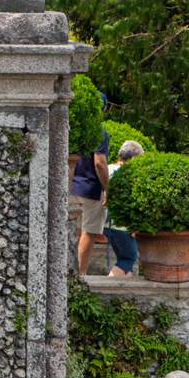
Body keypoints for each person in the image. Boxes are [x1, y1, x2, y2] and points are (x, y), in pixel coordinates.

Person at [71, 108, 110, 276]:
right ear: (103, 109)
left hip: (71, 186)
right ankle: (79, 277)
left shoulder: (76, 127)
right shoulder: (99, 131)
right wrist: (108, 188)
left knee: (74, 232)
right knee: (88, 232)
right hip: (91, 189)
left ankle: (66, 274)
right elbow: (99, 163)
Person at [106, 138, 143, 277]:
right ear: (133, 158)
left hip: (106, 222)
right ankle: (107, 286)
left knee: (125, 262)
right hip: (122, 225)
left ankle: (123, 294)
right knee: (129, 257)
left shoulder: (108, 168)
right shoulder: (130, 173)